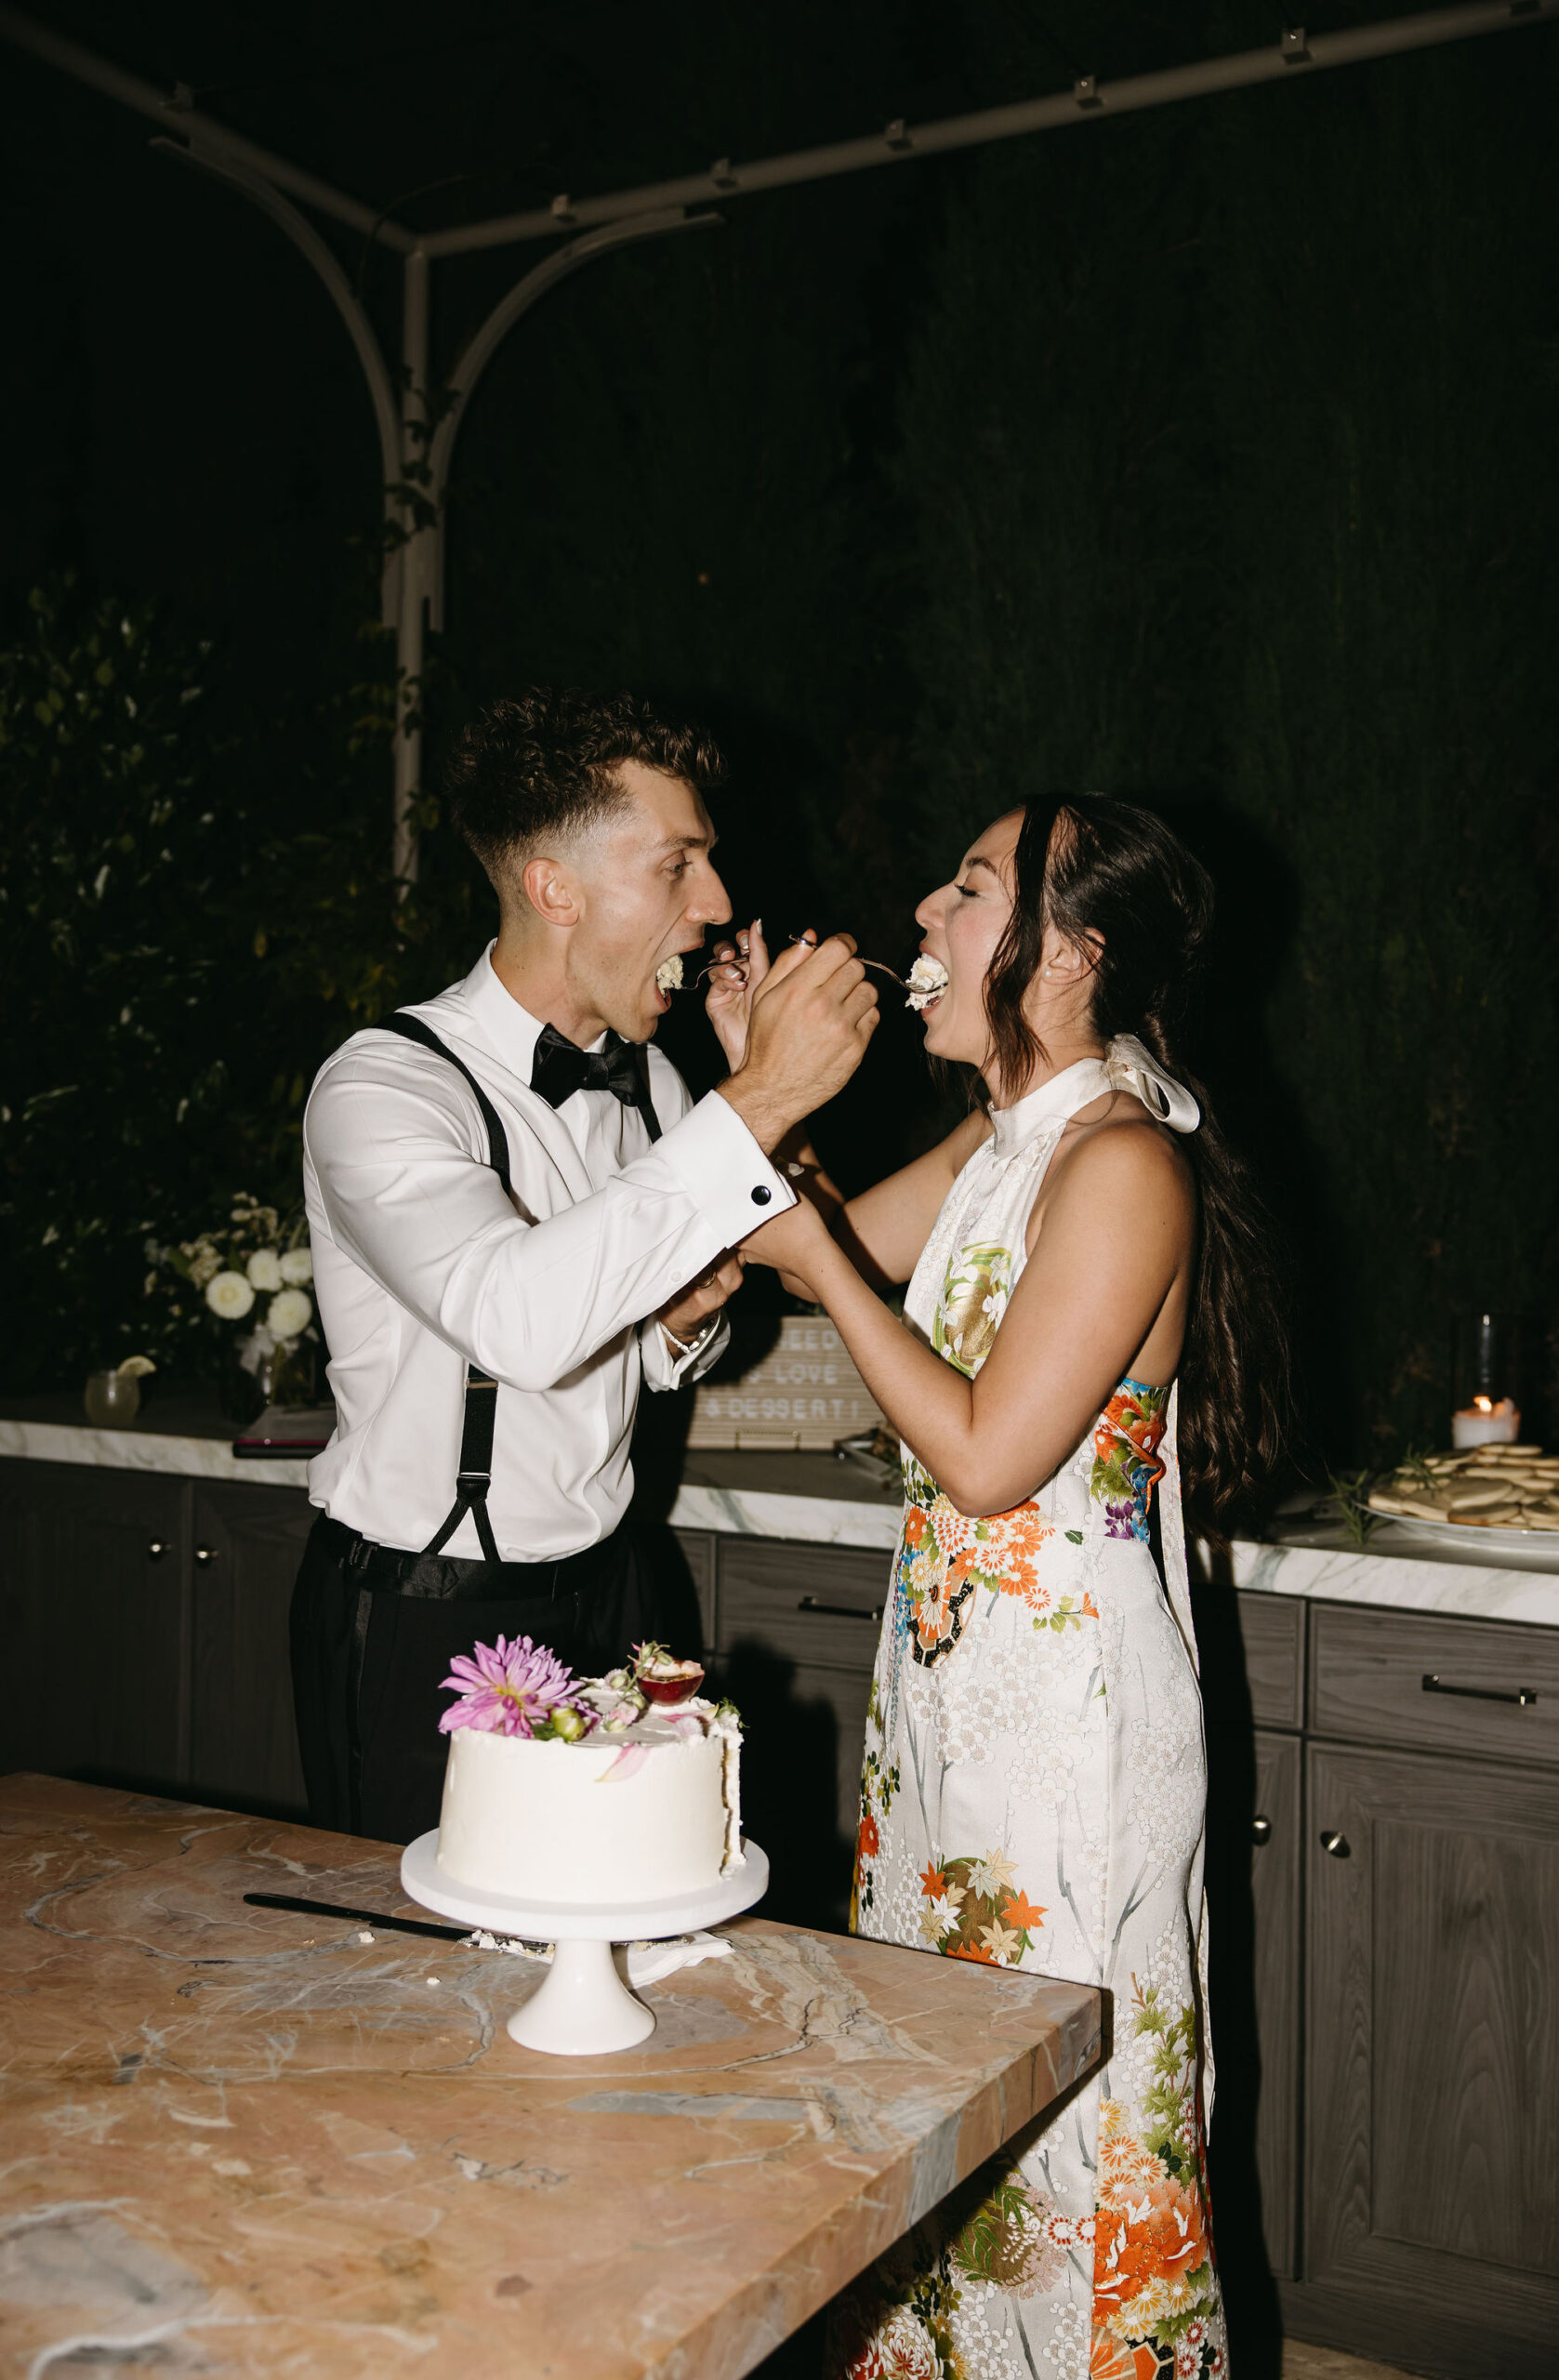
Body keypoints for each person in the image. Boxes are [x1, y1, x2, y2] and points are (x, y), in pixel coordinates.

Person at [731, 794, 1286, 2380]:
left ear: (1069, 953)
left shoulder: (1121, 1165)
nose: (924, 909)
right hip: (956, 1719)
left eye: (969, 888)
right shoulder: (1007, 1138)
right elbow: (814, 1241)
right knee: (944, 2121)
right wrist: (753, 1095)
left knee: (1072, 2140)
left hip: (1075, 1746)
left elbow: (983, 1454)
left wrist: (814, 1249)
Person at [289, 689, 879, 1845]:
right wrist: (758, 1100)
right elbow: (514, 1322)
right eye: (677, 866)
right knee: (432, 1975)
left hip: (618, 1586)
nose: (715, 906)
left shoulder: (650, 1080)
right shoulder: (384, 1086)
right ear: (555, 888)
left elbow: (638, 1357)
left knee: (634, 1938)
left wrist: (674, 1329)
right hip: (428, 1610)